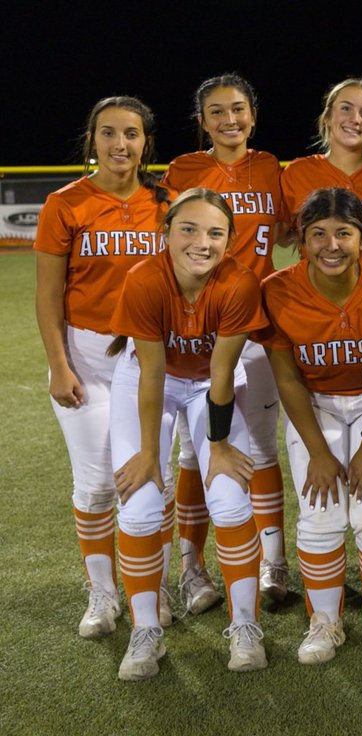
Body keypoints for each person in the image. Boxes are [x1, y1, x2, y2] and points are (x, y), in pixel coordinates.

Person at [107, 187, 270, 679]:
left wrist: (217, 446)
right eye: (189, 229)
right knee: (138, 509)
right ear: (166, 233)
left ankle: (245, 627)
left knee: (230, 500)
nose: (202, 242)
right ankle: (145, 631)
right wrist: (148, 454)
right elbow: (153, 374)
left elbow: (220, 374)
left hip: (209, 385)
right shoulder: (144, 279)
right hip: (146, 381)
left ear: (231, 240)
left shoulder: (240, 283)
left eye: (215, 233)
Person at [257, 187, 362, 664]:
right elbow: (286, 378)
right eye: (318, 234)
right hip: (316, 407)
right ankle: (324, 620)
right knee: (321, 517)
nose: (331, 245)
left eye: (343, 233)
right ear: (300, 242)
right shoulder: (277, 290)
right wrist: (319, 453)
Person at [34, 96, 170, 643]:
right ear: (92, 139)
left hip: (149, 359)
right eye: (109, 133)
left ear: (146, 142)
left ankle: (150, 588)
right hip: (86, 359)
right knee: (94, 487)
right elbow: (47, 296)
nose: (121, 144)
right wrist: (58, 364)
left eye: (131, 134)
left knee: (144, 483)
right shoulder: (65, 203)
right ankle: (102, 592)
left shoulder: (168, 204)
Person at [162, 73, 290, 612]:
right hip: (195, 329)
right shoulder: (183, 170)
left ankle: (273, 561)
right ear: (202, 121)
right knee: (194, 450)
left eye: (238, 109)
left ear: (253, 115)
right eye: (217, 112)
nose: (229, 120)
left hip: (255, 326)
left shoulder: (270, 167)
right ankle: (193, 566)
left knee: (259, 446)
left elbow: (285, 233)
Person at [281, 78, 362, 261]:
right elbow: (280, 238)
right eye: (346, 108)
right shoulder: (297, 173)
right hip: (318, 288)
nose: (355, 119)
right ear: (328, 117)